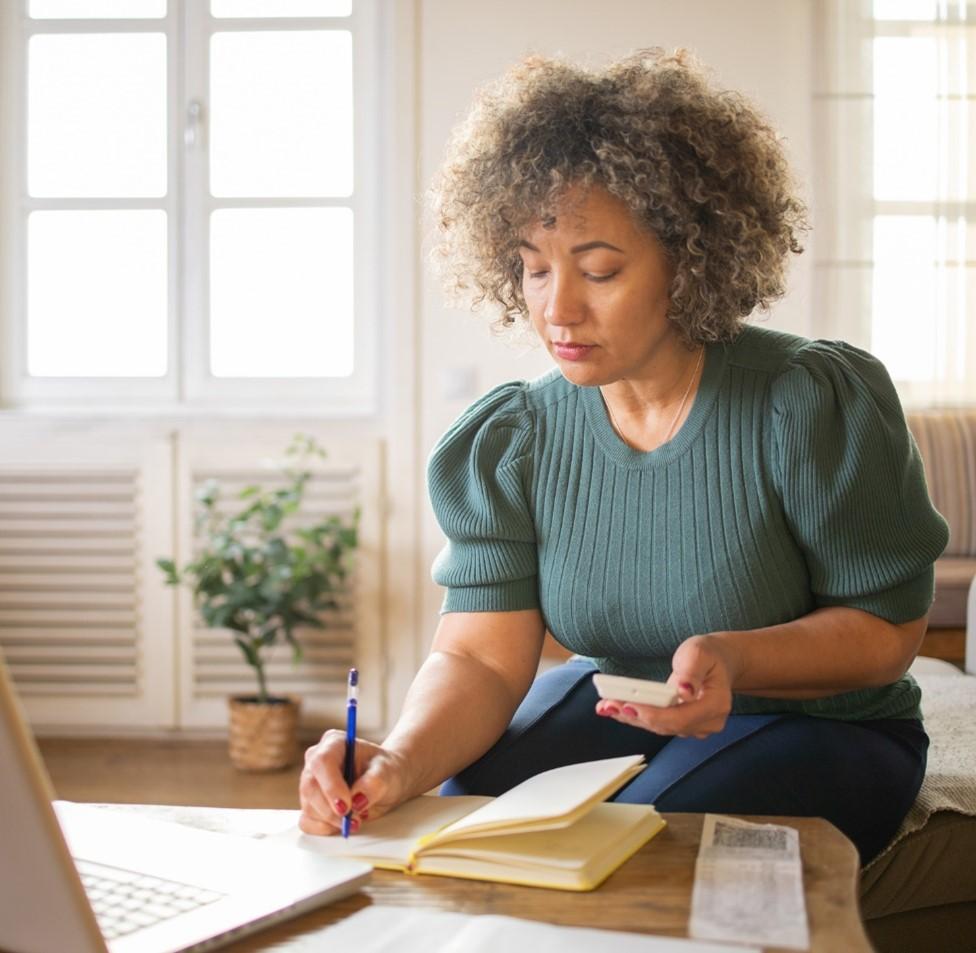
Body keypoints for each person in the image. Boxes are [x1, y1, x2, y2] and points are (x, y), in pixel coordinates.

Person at [299, 49, 948, 863]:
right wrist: (393, 759)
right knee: (461, 805)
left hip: (824, 724)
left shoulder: (807, 399)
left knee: (644, 839)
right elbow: (477, 657)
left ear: (690, 259)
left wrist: (735, 659)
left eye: (599, 270)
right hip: (624, 703)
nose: (558, 308)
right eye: (534, 269)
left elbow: (887, 627)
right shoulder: (515, 438)